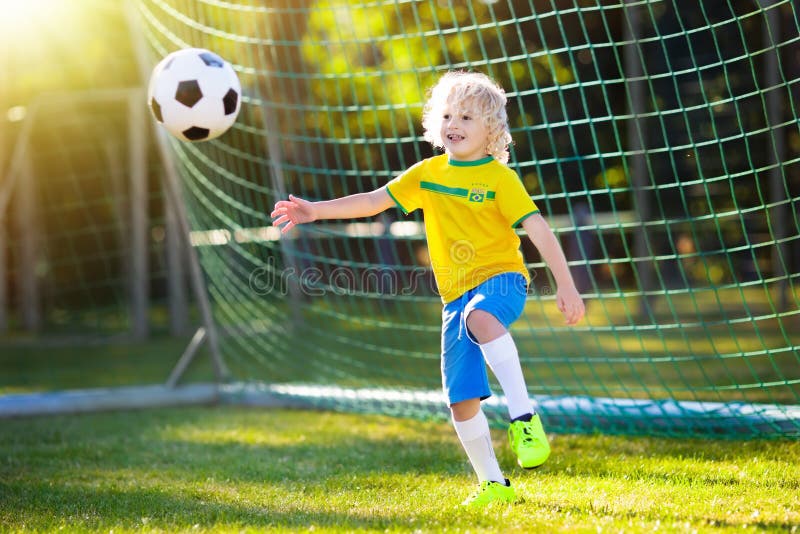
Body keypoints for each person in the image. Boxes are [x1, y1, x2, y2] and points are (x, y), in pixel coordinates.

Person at [271, 71, 585, 507]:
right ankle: (494, 485)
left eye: (467, 117)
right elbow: (373, 200)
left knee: (482, 317)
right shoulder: (428, 173)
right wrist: (314, 212)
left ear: (491, 130)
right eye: (448, 114)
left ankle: (524, 417)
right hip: (454, 298)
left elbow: (539, 230)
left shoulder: (499, 179)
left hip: (502, 279)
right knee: (460, 402)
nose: (454, 123)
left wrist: (566, 285)